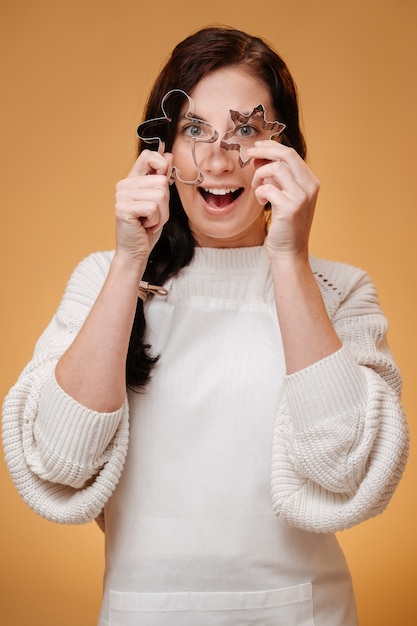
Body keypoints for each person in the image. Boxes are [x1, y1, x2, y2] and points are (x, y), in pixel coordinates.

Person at [2, 25, 409, 626]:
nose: (218, 159)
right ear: (161, 149)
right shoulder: (106, 279)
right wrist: (128, 259)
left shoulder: (339, 290)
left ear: (283, 148)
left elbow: (345, 468)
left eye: (245, 129)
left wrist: (290, 257)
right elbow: (57, 462)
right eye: (194, 130)